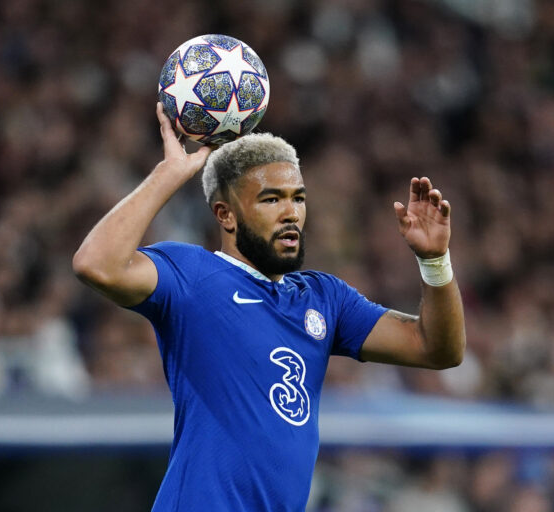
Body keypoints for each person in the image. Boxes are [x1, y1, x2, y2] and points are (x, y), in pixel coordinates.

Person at [72, 103, 466, 511]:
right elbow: (96, 264)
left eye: (298, 198)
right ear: (226, 215)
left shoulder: (324, 298)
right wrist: (168, 174)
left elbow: (437, 349)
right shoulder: (192, 275)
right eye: (271, 200)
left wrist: (435, 262)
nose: (291, 213)